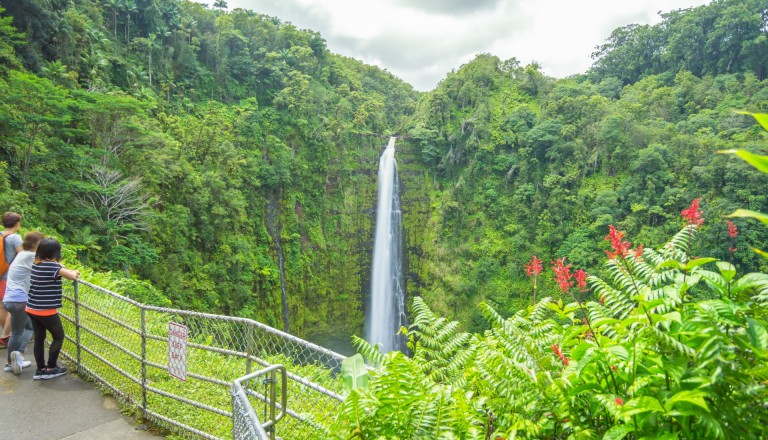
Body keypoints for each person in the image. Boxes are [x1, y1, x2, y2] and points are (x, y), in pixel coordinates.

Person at [26, 237, 79, 380]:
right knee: (58, 337)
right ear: (56, 252)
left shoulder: (36, 263)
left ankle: (40, 369)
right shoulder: (54, 267)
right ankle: (51, 367)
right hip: (46, 311)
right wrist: (73, 272)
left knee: (39, 338)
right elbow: (72, 276)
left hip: (31, 308)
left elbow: (57, 268)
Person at [3, 231, 45, 374]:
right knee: (16, 332)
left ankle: (17, 356)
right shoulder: (30, 256)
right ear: (37, 244)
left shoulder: (21, 254)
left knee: (30, 327)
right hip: (19, 300)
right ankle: (10, 362)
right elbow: (50, 265)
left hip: (11, 299)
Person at [0, 212, 23, 348]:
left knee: (2, 306)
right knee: (12, 308)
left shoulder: (0, 235)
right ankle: (6, 337)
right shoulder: (15, 238)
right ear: (17, 224)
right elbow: (23, 256)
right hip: (10, 277)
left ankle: (5, 335)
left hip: (0, 275)